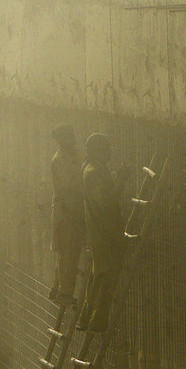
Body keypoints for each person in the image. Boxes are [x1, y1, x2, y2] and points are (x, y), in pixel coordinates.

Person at [77, 133, 129, 333]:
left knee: (97, 276)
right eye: (106, 150)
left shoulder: (91, 168)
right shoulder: (94, 172)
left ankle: (85, 318)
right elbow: (106, 203)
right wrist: (121, 181)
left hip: (99, 232)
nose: (109, 154)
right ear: (97, 152)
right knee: (106, 278)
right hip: (106, 233)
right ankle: (97, 321)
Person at [48, 123, 86, 306]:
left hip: (73, 211)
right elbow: (71, 183)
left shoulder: (71, 155)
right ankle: (65, 292)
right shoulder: (59, 159)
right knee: (68, 252)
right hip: (66, 212)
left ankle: (58, 287)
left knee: (65, 252)